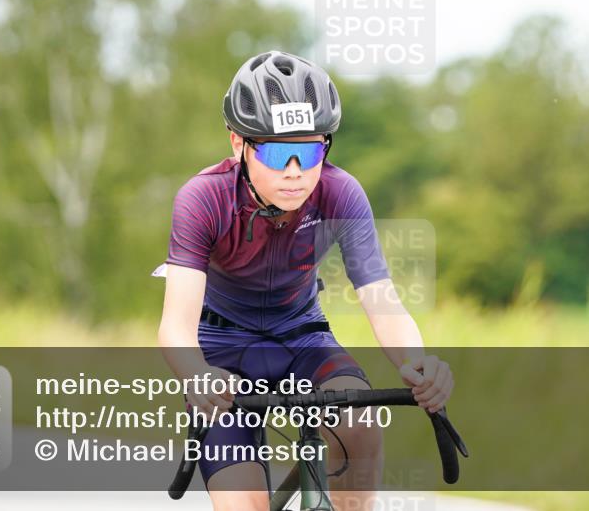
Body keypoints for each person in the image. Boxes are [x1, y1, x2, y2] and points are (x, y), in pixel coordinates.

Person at [156, 51, 453, 511]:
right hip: (219, 352)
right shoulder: (203, 198)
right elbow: (175, 325)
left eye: (311, 149)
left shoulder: (340, 192)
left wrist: (417, 363)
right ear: (239, 144)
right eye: (276, 152)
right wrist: (196, 376)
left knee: (360, 425)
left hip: (302, 338)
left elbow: (381, 298)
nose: (295, 171)